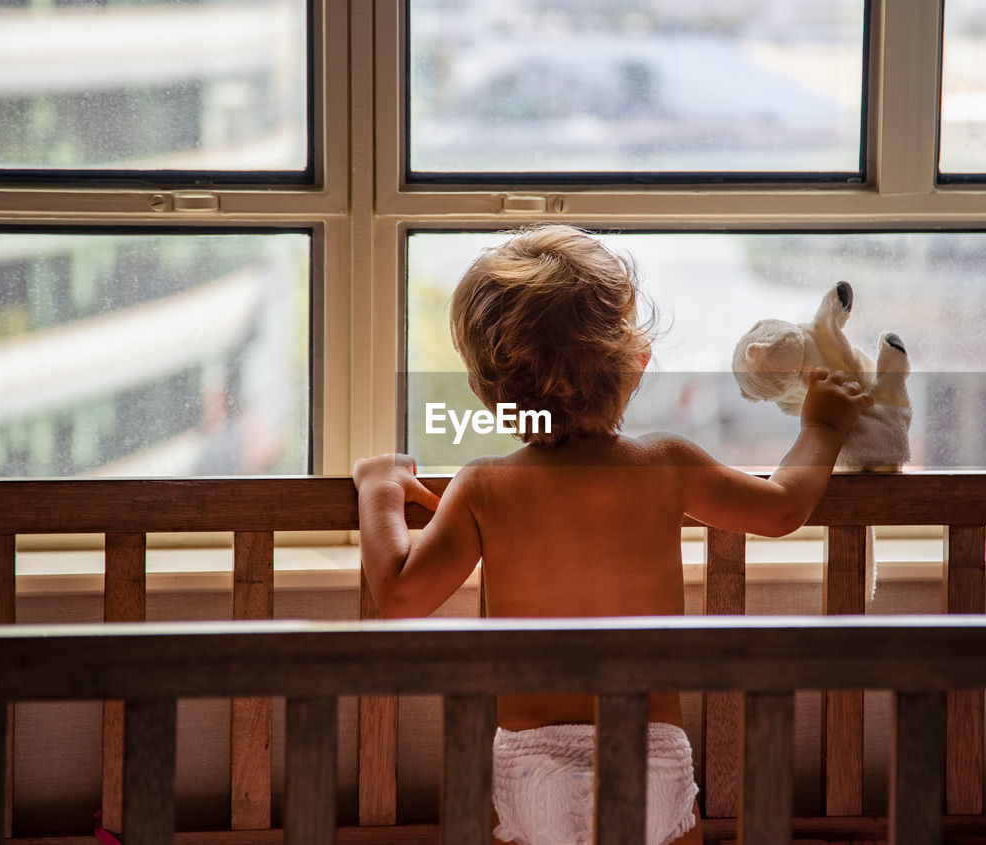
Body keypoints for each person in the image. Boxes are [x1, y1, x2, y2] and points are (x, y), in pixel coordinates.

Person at [352, 224, 872, 845]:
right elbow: (783, 508)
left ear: (485, 395)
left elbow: (401, 594)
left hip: (530, 763)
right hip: (650, 756)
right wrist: (823, 427)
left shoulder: (483, 487)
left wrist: (380, 488)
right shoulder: (667, 464)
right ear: (637, 366)